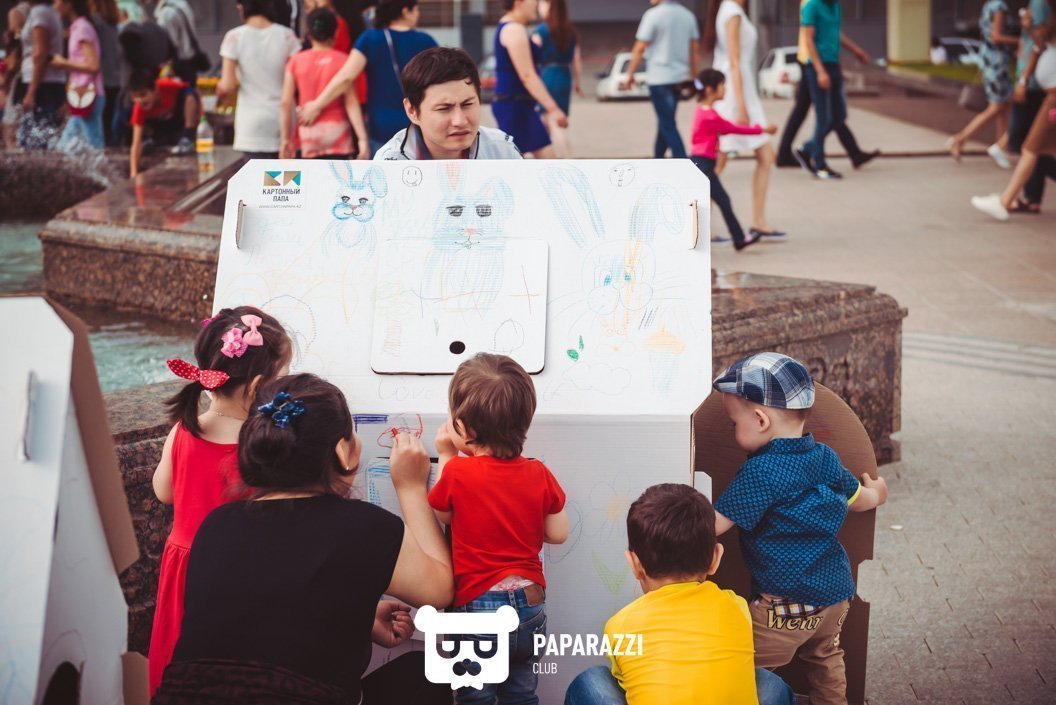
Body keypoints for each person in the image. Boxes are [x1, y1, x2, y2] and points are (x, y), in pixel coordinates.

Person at [153, 373, 454, 704]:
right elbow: (440, 590)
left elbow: (260, 608)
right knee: (424, 674)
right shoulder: (366, 527)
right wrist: (410, 487)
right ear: (344, 451)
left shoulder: (217, 525)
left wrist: (362, 616)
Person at [711, 352, 889, 705]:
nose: (732, 430)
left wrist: (679, 507)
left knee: (743, 668)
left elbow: (715, 524)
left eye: (734, 423)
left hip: (786, 604)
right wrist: (879, 493)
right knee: (826, 659)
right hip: (836, 596)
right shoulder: (825, 458)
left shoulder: (760, 472)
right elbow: (859, 499)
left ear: (760, 420)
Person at [148, 307, 293, 696]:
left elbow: (163, 491)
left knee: (181, 661)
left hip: (184, 571)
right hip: (238, 574)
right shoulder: (258, 447)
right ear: (258, 386)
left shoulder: (183, 431)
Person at [563, 484, 796, 705]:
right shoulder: (737, 605)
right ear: (716, 558)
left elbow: (631, 685)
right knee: (769, 682)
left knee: (593, 679)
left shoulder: (619, 625)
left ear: (634, 564)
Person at [428, 353, 569, 705]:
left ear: (464, 428)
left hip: (479, 608)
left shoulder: (458, 472)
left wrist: (446, 455)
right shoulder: (539, 473)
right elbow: (558, 533)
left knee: (475, 696)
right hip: (530, 607)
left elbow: (443, 514)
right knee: (521, 693)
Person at [300, 0, 438, 154]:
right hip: (417, 122)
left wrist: (317, 105)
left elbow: (346, 77)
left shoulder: (370, 38)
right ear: (406, 11)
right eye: (416, 10)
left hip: (379, 126)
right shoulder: (426, 41)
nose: (418, 14)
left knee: (380, 167)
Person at [705, 0, 784, 239]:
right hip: (735, 94)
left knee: (764, 156)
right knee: (718, 162)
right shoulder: (732, 11)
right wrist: (741, 107)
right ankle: (699, 226)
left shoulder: (731, 10)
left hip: (739, 92)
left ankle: (759, 222)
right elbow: (734, 62)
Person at [972, 12, 1056, 220]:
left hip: (1054, 101)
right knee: (1037, 150)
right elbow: (1041, 42)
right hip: (1050, 99)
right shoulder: (1048, 40)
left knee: (1030, 149)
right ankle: (1006, 201)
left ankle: (1004, 202)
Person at [775, 2, 877, 172]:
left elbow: (833, 32)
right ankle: (816, 159)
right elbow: (808, 39)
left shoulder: (834, 6)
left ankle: (798, 151)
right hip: (812, 63)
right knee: (823, 115)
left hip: (828, 64)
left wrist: (854, 51)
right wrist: (820, 70)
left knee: (831, 115)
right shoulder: (810, 5)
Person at [684, 69, 776, 252]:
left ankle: (737, 238)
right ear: (710, 89)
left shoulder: (702, 111)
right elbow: (734, 129)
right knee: (720, 201)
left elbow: (724, 130)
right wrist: (763, 130)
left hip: (700, 162)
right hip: (703, 164)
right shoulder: (710, 116)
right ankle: (738, 239)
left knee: (718, 201)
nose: (725, 89)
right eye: (722, 86)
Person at [374, 47, 523, 160]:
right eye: (444, 108)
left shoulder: (502, 151)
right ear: (412, 111)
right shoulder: (390, 164)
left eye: (467, 104)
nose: (460, 121)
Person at [217, 0, 301, 158]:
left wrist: (220, 89)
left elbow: (228, 85)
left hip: (252, 125)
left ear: (241, 7)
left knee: (257, 173)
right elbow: (298, 80)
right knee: (287, 173)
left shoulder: (234, 37)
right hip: (285, 122)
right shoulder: (287, 36)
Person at [281, 9, 368, 159]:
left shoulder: (295, 61)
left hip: (308, 134)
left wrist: (285, 140)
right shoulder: (344, 60)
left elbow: (285, 103)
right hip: (339, 136)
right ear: (335, 32)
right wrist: (362, 139)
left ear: (308, 33)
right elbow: (351, 102)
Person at [947, 0, 1021, 167]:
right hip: (997, 63)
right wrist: (1020, 41)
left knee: (1004, 107)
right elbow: (996, 36)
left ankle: (1000, 148)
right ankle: (959, 139)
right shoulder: (999, 7)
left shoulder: (989, 5)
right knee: (996, 107)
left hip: (990, 61)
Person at [622, 0, 699, 159]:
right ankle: (657, 159)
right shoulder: (688, 16)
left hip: (659, 77)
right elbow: (694, 50)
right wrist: (695, 77)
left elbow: (640, 47)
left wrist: (630, 74)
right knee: (665, 121)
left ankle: (682, 160)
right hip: (680, 78)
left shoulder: (653, 15)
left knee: (667, 123)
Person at [492, 0, 566, 158]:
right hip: (514, 106)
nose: (536, 4)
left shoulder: (512, 27)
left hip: (519, 105)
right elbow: (527, 75)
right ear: (519, 2)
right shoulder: (514, 29)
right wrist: (553, 109)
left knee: (535, 160)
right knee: (539, 160)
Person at [1005, 0, 1053, 212]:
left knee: (1028, 146)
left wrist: (1028, 27)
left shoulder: (1040, 6)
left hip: (1047, 94)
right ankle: (1027, 198)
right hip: (1045, 93)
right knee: (1034, 147)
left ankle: (1006, 201)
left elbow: (1039, 43)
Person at [51, 0, 105, 151]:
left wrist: (64, 63)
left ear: (68, 4)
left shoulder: (82, 29)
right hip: (81, 95)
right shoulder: (78, 28)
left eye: (57, 1)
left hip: (87, 95)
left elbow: (93, 66)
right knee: (65, 147)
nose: (54, 6)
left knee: (93, 145)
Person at [532, 0, 582, 157]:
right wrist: (577, 83)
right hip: (565, 76)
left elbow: (531, 60)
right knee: (549, 124)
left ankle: (567, 161)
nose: (538, 7)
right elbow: (576, 59)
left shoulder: (541, 31)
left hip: (547, 76)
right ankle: (551, 160)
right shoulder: (570, 31)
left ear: (549, 5)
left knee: (552, 123)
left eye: (542, 3)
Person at [127, 67, 196, 177]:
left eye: (143, 94)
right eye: (135, 97)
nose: (140, 100)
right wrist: (134, 173)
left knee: (189, 94)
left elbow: (194, 94)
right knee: (130, 118)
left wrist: (199, 122)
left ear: (155, 89)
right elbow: (136, 144)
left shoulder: (167, 85)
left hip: (178, 118)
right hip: (160, 126)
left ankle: (187, 136)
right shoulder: (138, 108)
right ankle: (155, 138)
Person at [154, 0, 204, 153]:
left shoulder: (166, 13)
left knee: (186, 95)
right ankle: (188, 134)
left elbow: (170, 42)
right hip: (190, 59)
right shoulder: (181, 4)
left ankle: (185, 136)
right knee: (190, 93)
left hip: (178, 62)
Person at [18, 0, 65, 150]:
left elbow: (41, 53)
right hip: (45, 82)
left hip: (43, 84)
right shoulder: (45, 12)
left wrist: (31, 92)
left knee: (36, 142)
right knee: (42, 138)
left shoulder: (40, 13)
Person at [90, 0, 123, 146]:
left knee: (98, 123)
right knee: (108, 122)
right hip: (115, 78)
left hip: (101, 79)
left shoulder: (95, 22)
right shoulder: (113, 23)